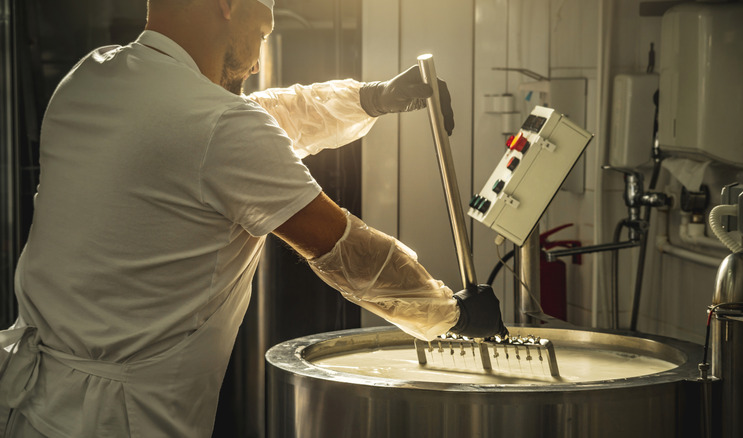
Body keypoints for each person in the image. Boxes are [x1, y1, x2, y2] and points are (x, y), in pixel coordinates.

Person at [0, 0, 507, 436]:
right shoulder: (216, 126)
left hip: (30, 403)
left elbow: (242, 124)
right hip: (122, 419)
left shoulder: (92, 76)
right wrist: (451, 316)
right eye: (261, 32)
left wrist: (370, 98)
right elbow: (349, 253)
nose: (259, 61)